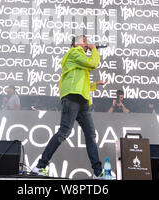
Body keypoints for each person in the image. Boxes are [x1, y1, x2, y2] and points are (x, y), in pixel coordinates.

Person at [32, 35, 108, 179]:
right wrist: (94, 50)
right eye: (85, 41)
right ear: (77, 43)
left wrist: (96, 84)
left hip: (82, 100)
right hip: (72, 98)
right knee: (64, 132)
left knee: (91, 135)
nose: (87, 44)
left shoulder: (79, 62)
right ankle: (40, 166)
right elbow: (93, 64)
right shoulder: (74, 53)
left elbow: (81, 83)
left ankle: (98, 173)